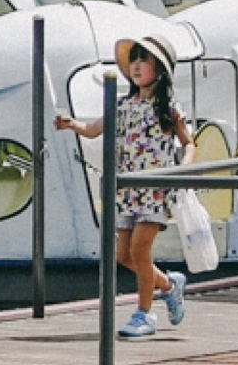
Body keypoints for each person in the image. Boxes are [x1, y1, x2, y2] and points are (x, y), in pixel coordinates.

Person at [56, 31, 194, 337]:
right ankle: (169, 286)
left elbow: (188, 143)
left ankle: (144, 314)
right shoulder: (123, 104)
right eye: (134, 59)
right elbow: (93, 129)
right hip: (128, 189)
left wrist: (183, 170)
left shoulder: (169, 108)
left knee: (140, 251)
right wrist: (71, 125)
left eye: (144, 59)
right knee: (123, 255)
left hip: (154, 188)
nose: (136, 65)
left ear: (160, 68)